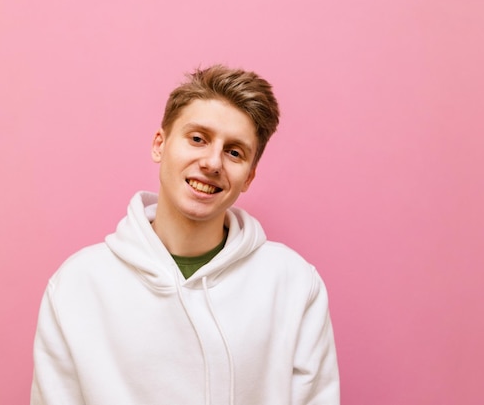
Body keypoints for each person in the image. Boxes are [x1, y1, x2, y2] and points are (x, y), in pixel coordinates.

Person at [31, 65, 340, 405]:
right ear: (159, 144)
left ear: (249, 177)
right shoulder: (77, 285)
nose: (212, 162)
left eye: (234, 152)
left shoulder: (293, 283)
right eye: (198, 139)